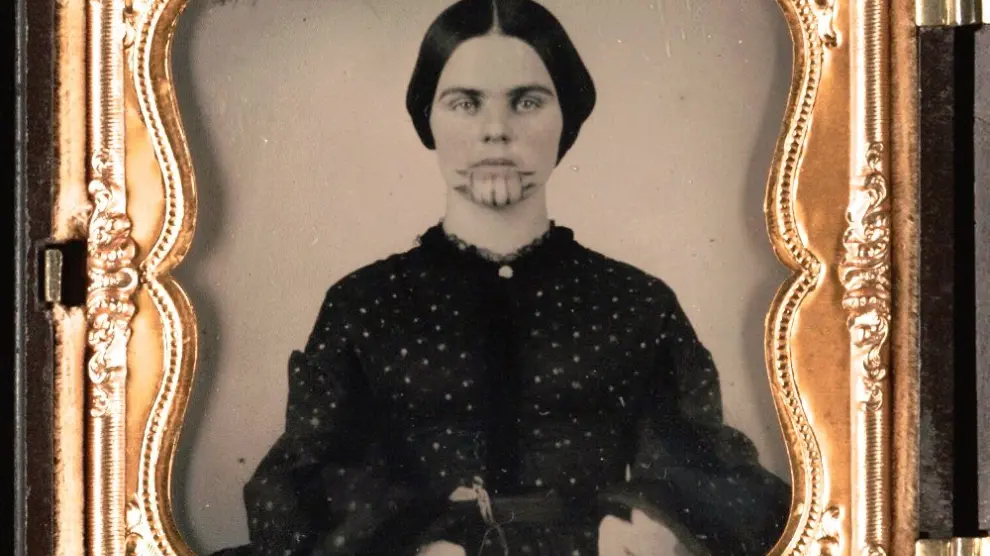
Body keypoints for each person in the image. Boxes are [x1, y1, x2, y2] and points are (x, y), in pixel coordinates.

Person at [218, 0, 790, 554]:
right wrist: (405, 543)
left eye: (527, 101)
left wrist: (654, 526)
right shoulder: (364, 305)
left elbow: (707, 469)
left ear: (566, 117)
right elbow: (303, 482)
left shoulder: (637, 303)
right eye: (465, 103)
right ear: (428, 118)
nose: (496, 129)